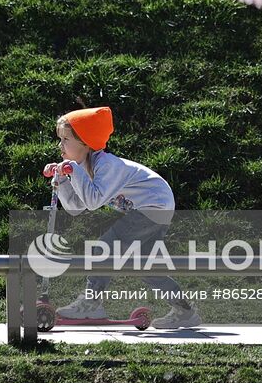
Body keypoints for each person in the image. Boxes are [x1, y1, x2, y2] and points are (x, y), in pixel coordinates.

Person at [43, 105, 202, 329]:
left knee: (104, 248)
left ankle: (91, 302)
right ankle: (185, 311)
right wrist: (61, 181)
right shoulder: (86, 167)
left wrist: (73, 171)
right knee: (141, 266)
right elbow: (76, 207)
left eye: (66, 139)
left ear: (85, 142)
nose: (60, 145)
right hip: (157, 208)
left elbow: (93, 201)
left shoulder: (107, 165)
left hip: (154, 205)